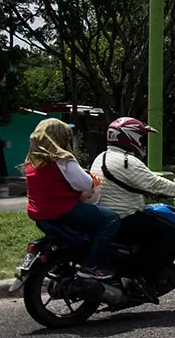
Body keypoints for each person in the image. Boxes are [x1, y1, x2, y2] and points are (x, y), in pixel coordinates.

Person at [90, 117, 175, 284]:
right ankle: (146, 277)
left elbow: (126, 183)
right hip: (124, 216)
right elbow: (155, 182)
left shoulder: (102, 157)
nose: (141, 142)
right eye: (140, 137)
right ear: (129, 137)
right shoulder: (127, 161)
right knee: (168, 233)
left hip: (107, 214)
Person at [24, 118, 119, 280]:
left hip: (40, 215)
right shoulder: (63, 159)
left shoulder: (32, 161)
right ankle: (93, 265)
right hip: (63, 211)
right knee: (111, 219)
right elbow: (85, 183)